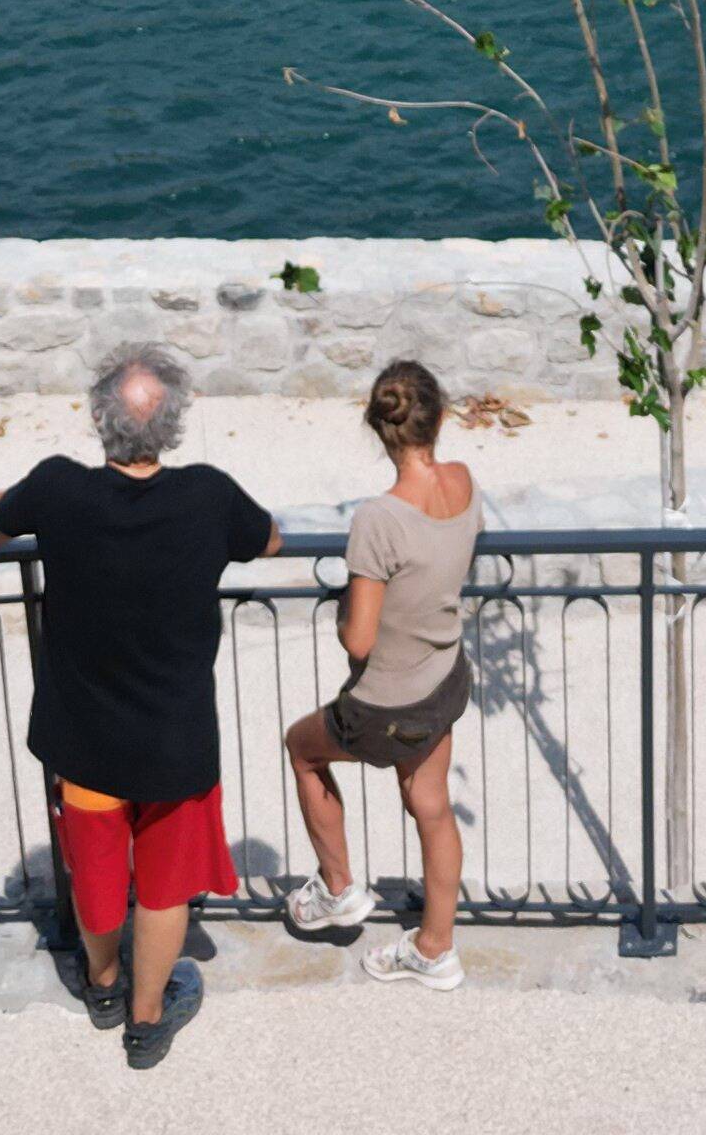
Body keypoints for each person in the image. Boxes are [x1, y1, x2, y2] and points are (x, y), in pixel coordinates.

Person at [0, 344, 278, 1069]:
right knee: (163, 889)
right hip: (173, 740)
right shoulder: (208, 495)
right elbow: (270, 538)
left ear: (99, 419)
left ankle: (102, 985)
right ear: (175, 423)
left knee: (96, 870)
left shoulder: (57, 488)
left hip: (86, 734)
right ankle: (147, 1019)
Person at [278, 359, 480, 990]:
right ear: (440, 417)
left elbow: (359, 640)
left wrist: (345, 611)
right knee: (430, 804)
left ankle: (339, 888)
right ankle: (435, 948)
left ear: (378, 428)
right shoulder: (466, 483)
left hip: (385, 703)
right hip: (443, 678)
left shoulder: (377, 519)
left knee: (302, 748)